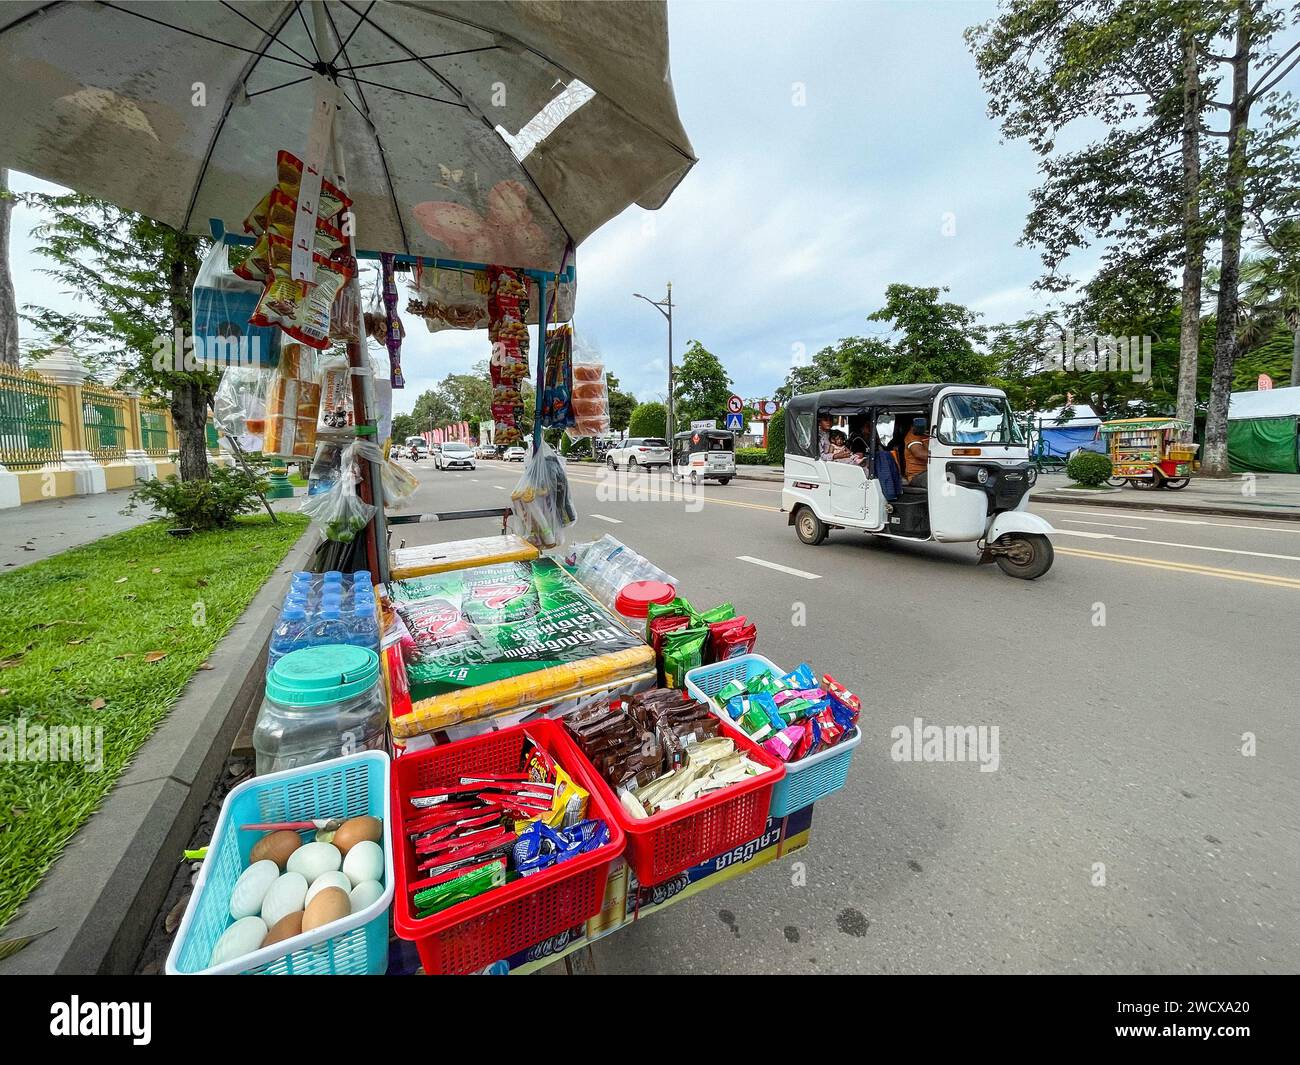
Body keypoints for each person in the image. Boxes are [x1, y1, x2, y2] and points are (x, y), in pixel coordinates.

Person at [903, 416, 930, 486]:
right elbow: (919, 454)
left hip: (930, 470)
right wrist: (943, 455)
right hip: (917, 475)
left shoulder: (930, 434)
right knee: (940, 479)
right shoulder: (913, 435)